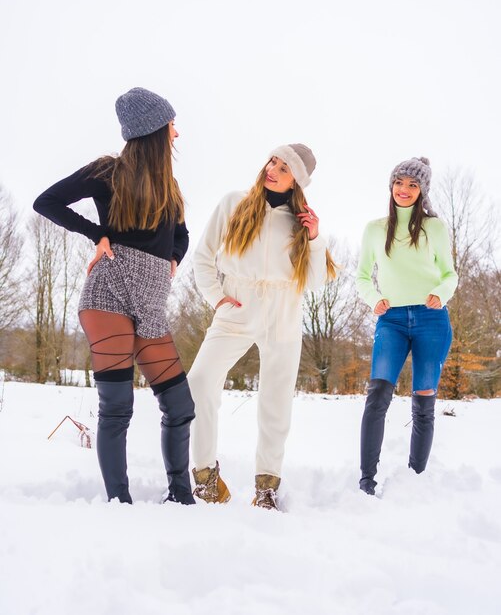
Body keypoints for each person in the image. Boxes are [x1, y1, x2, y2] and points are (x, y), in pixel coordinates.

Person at [33, 87, 196, 505]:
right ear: (155, 130)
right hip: (108, 295)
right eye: (172, 125)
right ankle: (118, 503)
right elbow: (46, 201)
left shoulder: (169, 184)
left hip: (151, 300)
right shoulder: (107, 171)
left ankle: (181, 496)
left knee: (180, 405)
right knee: (118, 405)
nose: (177, 133)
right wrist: (97, 234)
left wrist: (174, 258)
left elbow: (181, 233)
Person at [188, 144, 336, 510]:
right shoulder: (234, 203)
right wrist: (216, 296)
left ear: (296, 181)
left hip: (283, 311)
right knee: (200, 382)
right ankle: (206, 477)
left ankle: (266, 486)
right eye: (273, 160)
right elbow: (204, 255)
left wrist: (315, 238)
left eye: (284, 168)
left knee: (276, 401)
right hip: (237, 306)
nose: (273, 169)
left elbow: (316, 282)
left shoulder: (301, 222)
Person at [356, 156, 458, 495]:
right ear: (391, 185)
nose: (404, 189)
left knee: (423, 399)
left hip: (431, 320)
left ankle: (415, 480)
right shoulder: (374, 229)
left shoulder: (435, 228)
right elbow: (361, 276)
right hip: (392, 320)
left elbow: (449, 273)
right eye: (399, 182)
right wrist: (374, 299)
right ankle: (366, 481)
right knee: (378, 394)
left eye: (413, 184)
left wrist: (440, 294)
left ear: (422, 190)